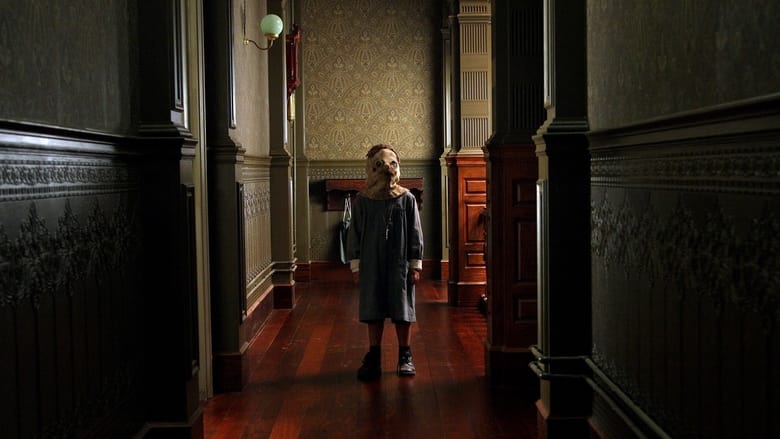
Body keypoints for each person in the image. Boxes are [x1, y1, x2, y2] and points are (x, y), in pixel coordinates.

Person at [346, 144, 423, 381]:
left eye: (391, 164)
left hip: (400, 263)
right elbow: (354, 234)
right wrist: (356, 266)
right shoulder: (363, 201)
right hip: (371, 263)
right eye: (380, 165)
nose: (386, 170)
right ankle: (374, 355)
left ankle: (405, 355)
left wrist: (415, 264)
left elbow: (415, 232)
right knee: (373, 307)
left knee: (403, 307)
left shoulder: (406, 198)